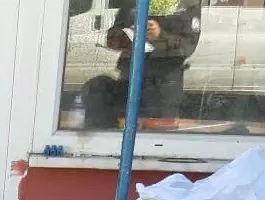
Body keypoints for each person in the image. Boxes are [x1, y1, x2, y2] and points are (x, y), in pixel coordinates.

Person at [83, 0, 202, 130]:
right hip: (130, 80)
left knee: (158, 138)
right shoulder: (134, 3)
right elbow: (113, 35)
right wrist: (122, 37)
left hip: (163, 83)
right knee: (122, 132)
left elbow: (187, 46)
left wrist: (160, 35)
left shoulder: (185, 4)